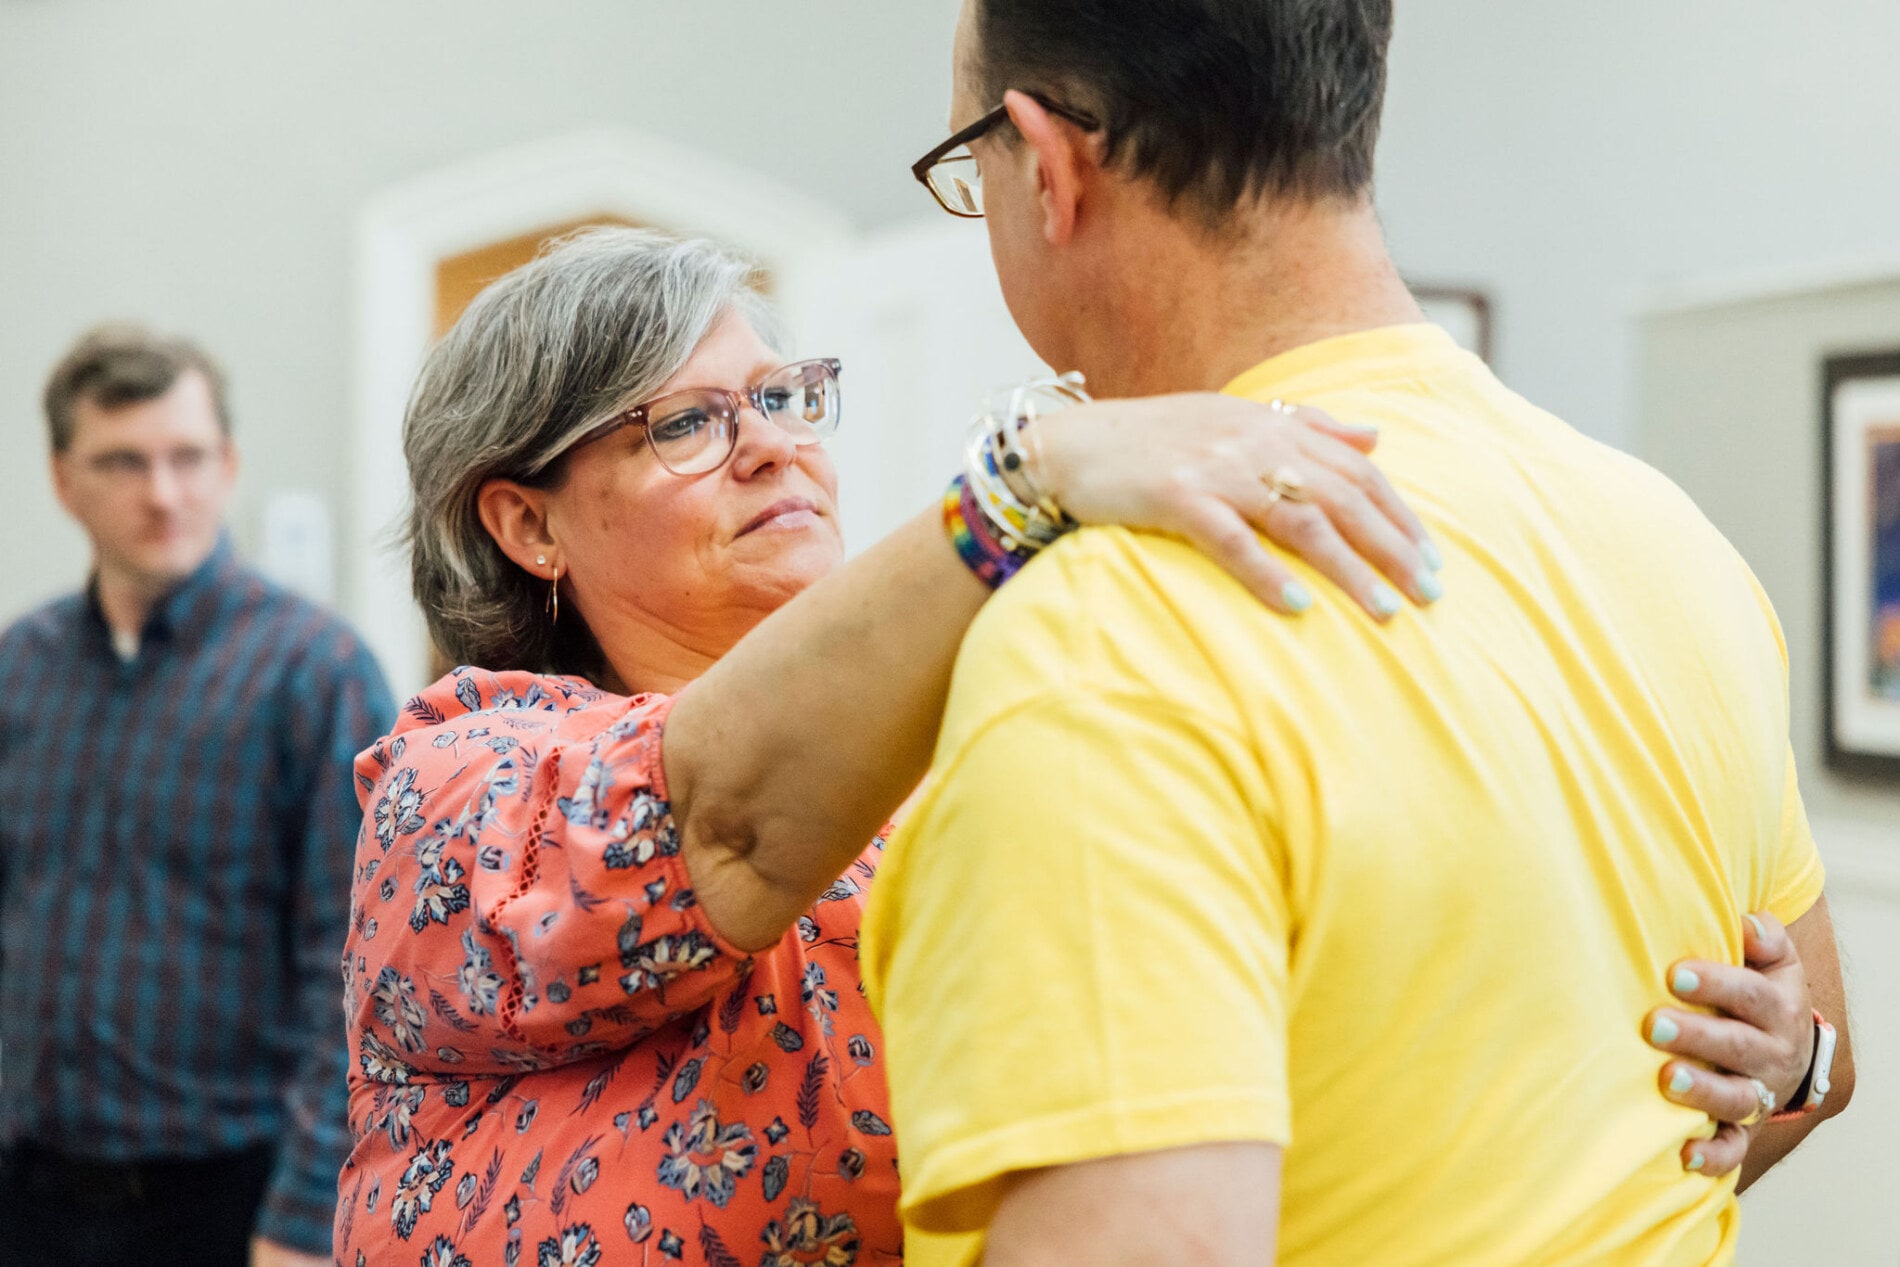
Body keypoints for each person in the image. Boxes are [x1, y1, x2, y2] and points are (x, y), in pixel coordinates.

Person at [337, 225, 1817, 1267]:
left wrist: (1753, 1052)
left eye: (785, 397)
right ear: (525, 520)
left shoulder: (987, 727)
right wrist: (1026, 475)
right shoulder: (457, 783)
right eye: (686, 424)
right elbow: (715, 817)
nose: (777, 442)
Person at [859, 2, 1855, 1265]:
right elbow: (1806, 1061)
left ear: (1047, 168)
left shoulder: (1109, 641)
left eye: (971, 173)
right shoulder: (1670, 539)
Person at [0, 326, 394, 1267]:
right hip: (30, 1190)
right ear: (62, 479)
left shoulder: (318, 673)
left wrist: (305, 1216)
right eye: (123, 461)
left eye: (188, 456)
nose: (163, 492)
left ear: (230, 464)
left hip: (229, 1202)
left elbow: (358, 971)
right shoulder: (21, 666)